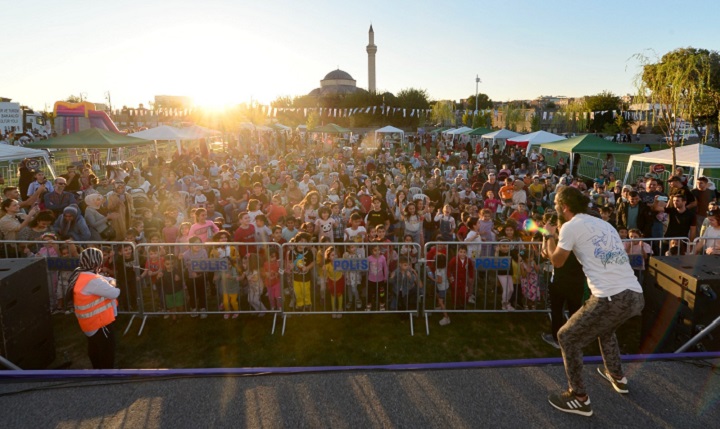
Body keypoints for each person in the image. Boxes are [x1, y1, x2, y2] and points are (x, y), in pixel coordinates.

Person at [545, 186, 644, 417]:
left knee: (566, 336)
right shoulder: (604, 224)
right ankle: (618, 376)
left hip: (610, 296)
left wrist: (548, 234)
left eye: (558, 205)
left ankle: (579, 398)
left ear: (565, 208)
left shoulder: (571, 225)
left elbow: (557, 261)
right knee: (606, 329)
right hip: (635, 295)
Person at [67, 248, 120, 369]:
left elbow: (103, 280)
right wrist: (111, 282)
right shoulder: (93, 281)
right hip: (100, 323)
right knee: (106, 352)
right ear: (97, 262)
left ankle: (97, 371)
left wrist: (107, 281)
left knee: (94, 348)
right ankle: (106, 375)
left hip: (88, 323)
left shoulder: (80, 274)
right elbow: (115, 292)